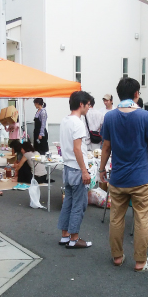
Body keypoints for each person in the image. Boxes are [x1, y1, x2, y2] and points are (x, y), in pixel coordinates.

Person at [99, 77, 148, 272]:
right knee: (141, 219)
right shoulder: (145, 116)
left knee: (116, 218)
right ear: (136, 94)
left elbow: (106, 147)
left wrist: (101, 169)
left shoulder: (110, 117)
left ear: (118, 95)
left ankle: (117, 257)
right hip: (140, 178)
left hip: (118, 178)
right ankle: (141, 262)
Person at [58, 91, 92, 249]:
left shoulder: (65, 120)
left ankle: (65, 235)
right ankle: (74, 238)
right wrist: (84, 170)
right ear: (81, 104)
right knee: (79, 204)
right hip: (77, 168)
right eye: (88, 104)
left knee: (68, 203)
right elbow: (77, 149)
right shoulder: (78, 123)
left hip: (67, 166)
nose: (89, 107)